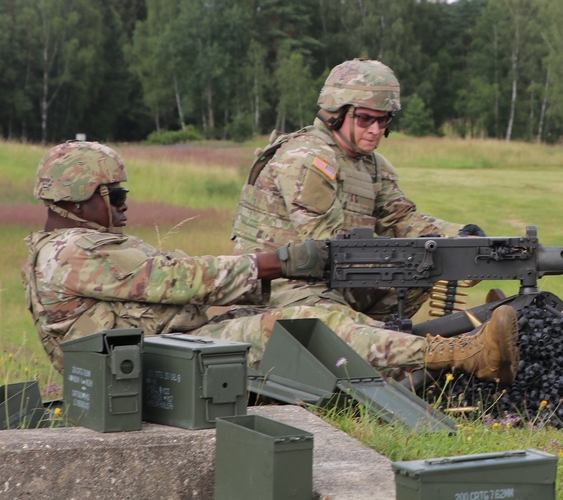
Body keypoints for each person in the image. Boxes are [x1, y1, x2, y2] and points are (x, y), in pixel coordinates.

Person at [21, 140, 519, 385]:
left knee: (312, 316)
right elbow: (179, 280)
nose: (126, 206)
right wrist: (275, 264)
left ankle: (456, 334)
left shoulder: (76, 246)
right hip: (141, 368)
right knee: (297, 326)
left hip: (159, 348)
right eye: (117, 195)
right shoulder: (71, 253)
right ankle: (462, 354)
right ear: (80, 197)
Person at [231, 57, 485, 321]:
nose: (375, 130)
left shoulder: (372, 165)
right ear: (336, 113)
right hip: (283, 285)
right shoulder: (306, 157)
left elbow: (400, 219)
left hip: (333, 281)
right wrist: (410, 256)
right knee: (412, 267)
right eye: (365, 119)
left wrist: (459, 238)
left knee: (421, 271)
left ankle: (384, 345)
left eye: (383, 120)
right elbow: (327, 244)